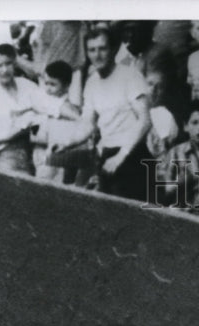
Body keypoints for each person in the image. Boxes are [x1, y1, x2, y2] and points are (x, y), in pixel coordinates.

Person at [52, 27, 151, 200]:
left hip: (134, 156)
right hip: (108, 156)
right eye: (92, 50)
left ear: (113, 49)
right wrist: (67, 143)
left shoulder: (130, 76)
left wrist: (121, 156)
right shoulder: (91, 83)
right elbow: (88, 124)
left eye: (102, 48)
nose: (97, 55)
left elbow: (144, 121)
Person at [0, 43, 66, 175]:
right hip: (7, 158)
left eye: (8, 63)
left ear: (14, 64)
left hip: (39, 152)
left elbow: (53, 106)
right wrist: (7, 136)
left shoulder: (28, 86)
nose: (4, 70)